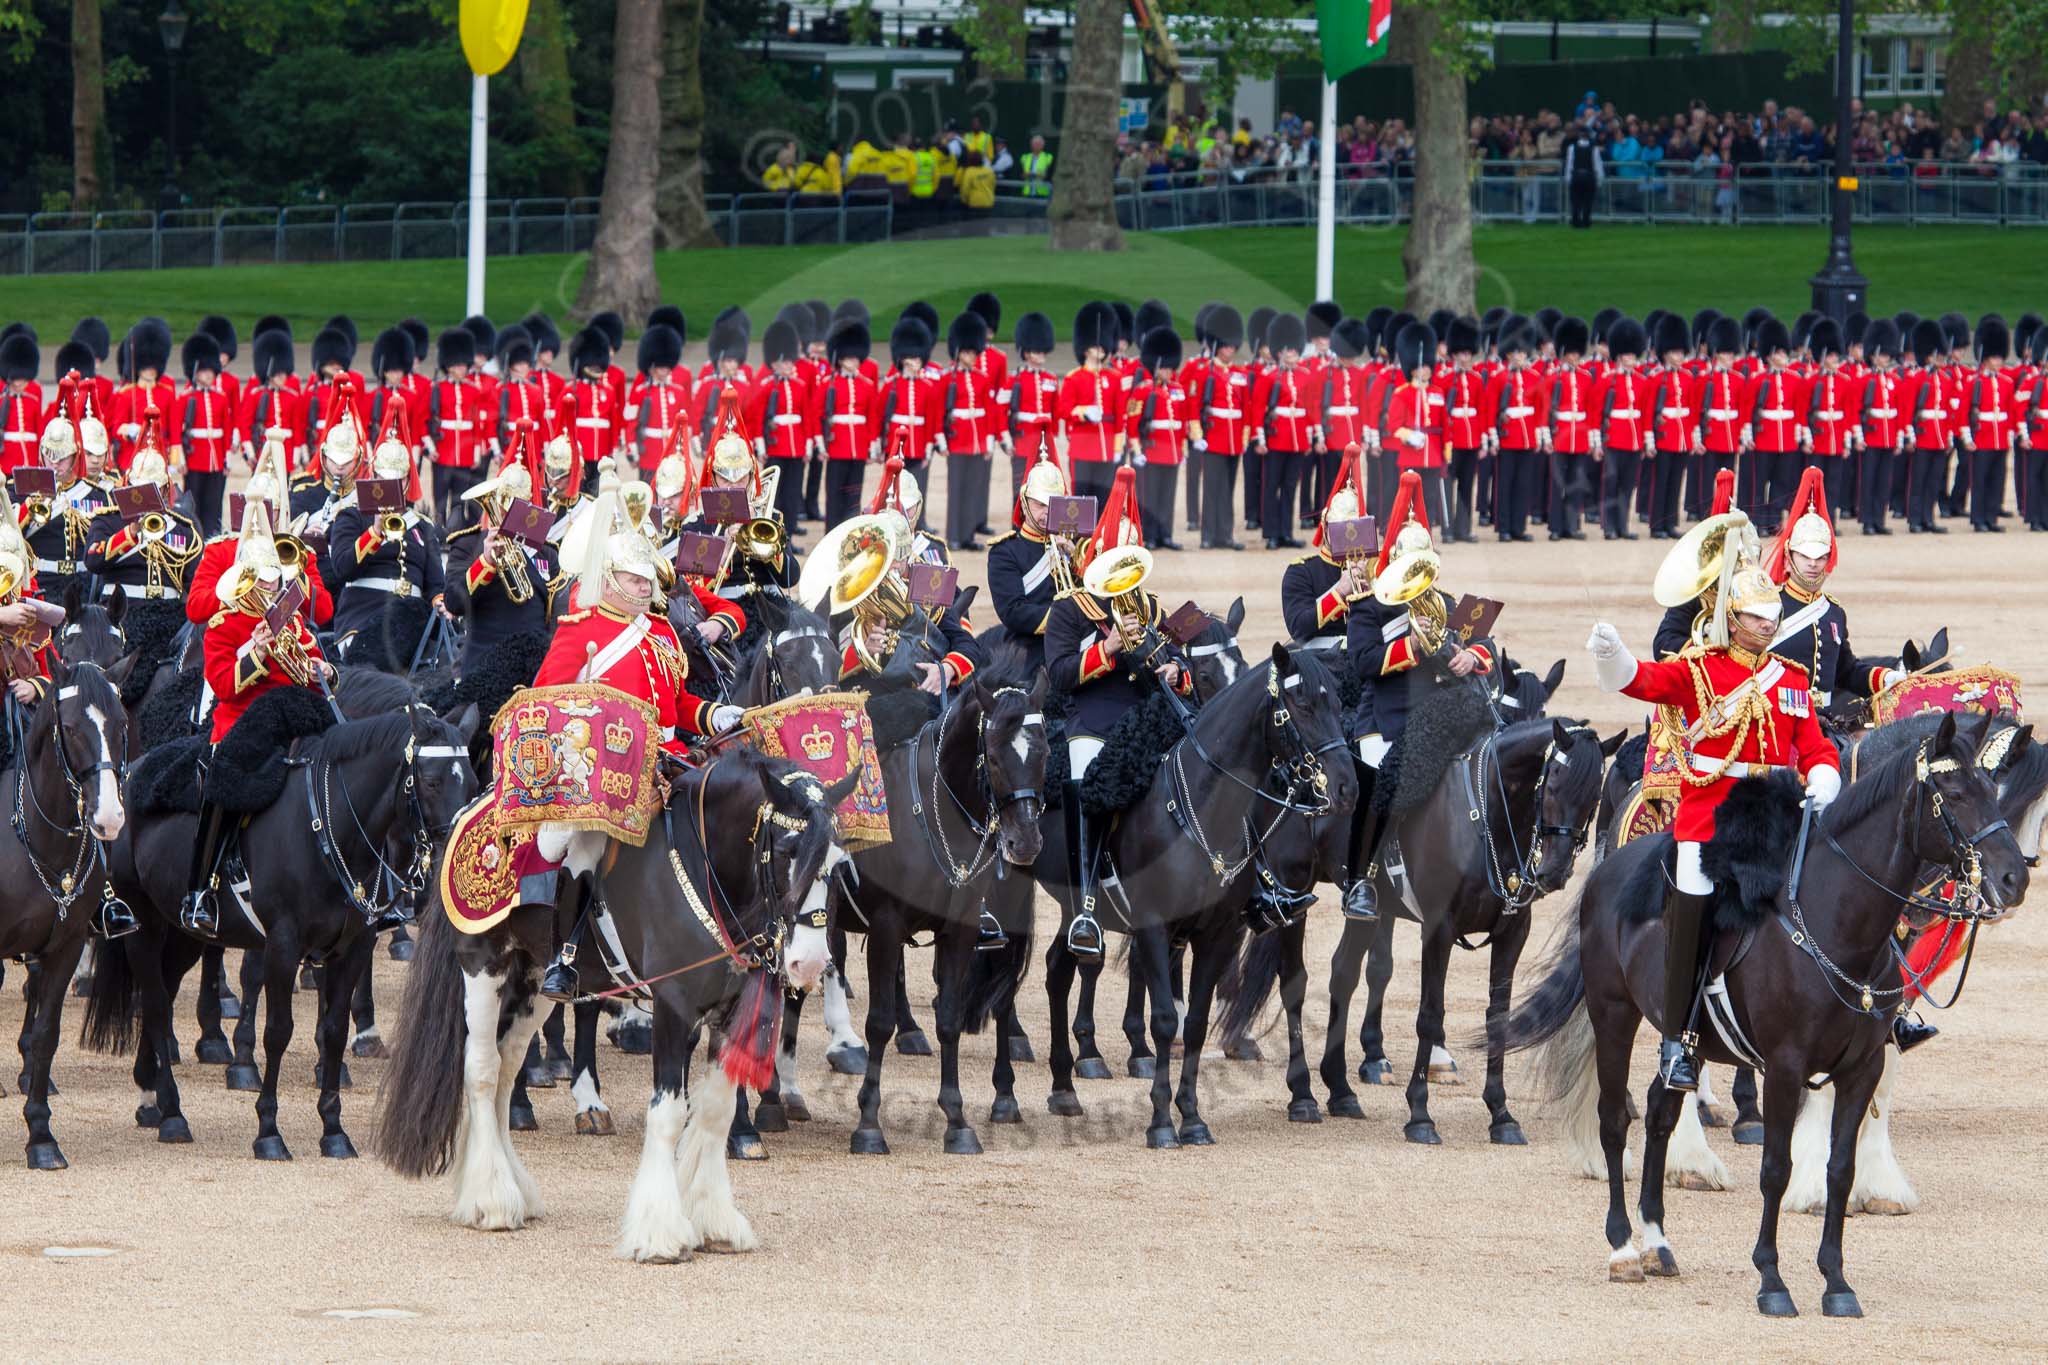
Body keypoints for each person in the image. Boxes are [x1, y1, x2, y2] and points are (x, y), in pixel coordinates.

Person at [1587, 535, 1841, 1092]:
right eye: (1756, 617)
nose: (1769, 625)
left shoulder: (1790, 680)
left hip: (1777, 817)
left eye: (1772, 616)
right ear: (1734, 617)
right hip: (1711, 820)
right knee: (1692, 913)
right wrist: (1615, 657)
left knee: (1841, 890)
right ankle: (1678, 1038)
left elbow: (1815, 744)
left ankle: (1870, 1010)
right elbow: (1644, 682)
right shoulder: (1700, 671)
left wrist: (1824, 773)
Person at [528, 497, 747, 998]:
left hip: (672, 761)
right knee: (585, 846)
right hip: (606, 769)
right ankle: (567, 952)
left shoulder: (665, 632)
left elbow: (679, 703)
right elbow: (547, 703)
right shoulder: (580, 632)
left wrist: (717, 714)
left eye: (648, 579)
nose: (645, 587)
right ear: (608, 579)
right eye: (633, 579)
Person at [1043, 467, 1193, 956]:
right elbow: (1061, 673)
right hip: (1094, 719)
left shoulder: (1148, 605)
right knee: (1086, 771)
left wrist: (1174, 672)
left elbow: (1179, 656)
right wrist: (1107, 648)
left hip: (1147, 714)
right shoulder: (1070, 608)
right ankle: (1086, 901)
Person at [1339, 470, 1494, 922]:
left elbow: (1486, 644)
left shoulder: (1445, 602)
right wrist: (1412, 645)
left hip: (1441, 713)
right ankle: (1362, 880)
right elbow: (1363, 662)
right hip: (1384, 717)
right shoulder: (1369, 606)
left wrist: (1472, 658)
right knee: (1376, 785)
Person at [188, 500, 336, 936]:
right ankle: (201, 889)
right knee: (223, 785)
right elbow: (223, 685)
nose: (274, 592)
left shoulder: (290, 620)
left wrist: (326, 671)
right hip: (242, 721)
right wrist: (254, 652)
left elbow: (314, 662)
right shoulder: (224, 623)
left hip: (294, 717)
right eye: (267, 586)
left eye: (276, 585)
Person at [443, 438, 562, 675]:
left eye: (520, 504)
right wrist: (486, 562)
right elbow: (454, 603)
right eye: (507, 504)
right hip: (484, 664)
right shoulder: (468, 544)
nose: (511, 512)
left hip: (534, 667)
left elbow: (556, 616)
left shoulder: (547, 552)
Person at [1126, 326, 1194, 551]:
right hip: (1152, 451)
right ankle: (1150, 535)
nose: (1167, 371)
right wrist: (1136, 451)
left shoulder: (1178, 390)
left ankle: (1165, 534)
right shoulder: (1142, 391)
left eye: (1169, 367)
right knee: (1150, 497)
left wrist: (1183, 450)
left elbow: (1182, 423)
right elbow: (1132, 423)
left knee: (1167, 497)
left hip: (1172, 453)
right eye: (1163, 368)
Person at [1249, 313, 1313, 551]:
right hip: (1276, 438)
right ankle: (1271, 533)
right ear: (1279, 353)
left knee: (1289, 487)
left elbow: (1310, 408)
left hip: (1297, 441)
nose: (1292, 356)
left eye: (1295, 352)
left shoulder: (1304, 375)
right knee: (1271, 486)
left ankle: (1286, 531)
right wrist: (1260, 438)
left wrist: (1310, 437)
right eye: (1289, 352)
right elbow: (1258, 409)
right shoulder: (1268, 377)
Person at [939, 312, 999, 551]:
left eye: (975, 353)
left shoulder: (982, 379)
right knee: (956, 490)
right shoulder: (947, 379)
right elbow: (938, 413)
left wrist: (988, 443)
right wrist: (940, 441)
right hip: (957, 441)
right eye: (968, 353)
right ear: (958, 352)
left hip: (976, 442)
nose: (972, 357)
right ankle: (953, 534)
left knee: (973, 489)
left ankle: (967, 535)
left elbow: (989, 412)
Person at [812, 317, 878, 526]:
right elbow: (816, 416)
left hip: (858, 448)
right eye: (850, 358)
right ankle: (832, 531)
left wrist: (871, 448)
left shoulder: (866, 385)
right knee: (834, 494)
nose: (855, 362)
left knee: (853, 496)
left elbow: (872, 418)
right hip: (836, 446)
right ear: (840, 359)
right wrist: (821, 446)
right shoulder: (827, 385)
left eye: (857, 358)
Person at [1057, 302, 1125, 504]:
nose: (1101, 348)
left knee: (1104, 499)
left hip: (1107, 446)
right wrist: (1084, 412)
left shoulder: (1114, 377)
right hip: (1083, 445)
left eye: (1103, 345)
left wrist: (1118, 448)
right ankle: (1079, 537)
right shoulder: (1074, 377)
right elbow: (1063, 409)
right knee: (1080, 500)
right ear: (1085, 349)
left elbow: (1121, 415)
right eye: (1096, 345)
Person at [1197, 305, 1250, 550]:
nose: (1230, 350)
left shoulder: (1240, 373)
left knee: (1228, 489)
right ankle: (1208, 534)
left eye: (1232, 346)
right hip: (1214, 438)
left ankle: (1225, 534)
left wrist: (1245, 437)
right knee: (1211, 489)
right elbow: (1193, 408)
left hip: (1233, 440)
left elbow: (1246, 408)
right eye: (1226, 345)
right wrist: (1198, 436)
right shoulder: (1205, 372)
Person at [877, 316, 941, 519]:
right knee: (893, 487)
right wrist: (880, 445)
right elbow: (881, 416)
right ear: (903, 359)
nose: (918, 363)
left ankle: (918, 521)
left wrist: (930, 446)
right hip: (897, 445)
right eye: (914, 359)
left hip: (919, 443)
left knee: (918, 486)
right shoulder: (891, 386)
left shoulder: (927, 387)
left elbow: (932, 418)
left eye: (919, 359)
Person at [1487, 323, 1546, 541]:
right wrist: (1493, 437)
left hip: (1527, 438)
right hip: (1507, 438)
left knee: (1523, 485)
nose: (1519, 356)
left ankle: (1518, 527)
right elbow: (1491, 409)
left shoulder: (1533, 377)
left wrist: (1540, 435)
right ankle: (1503, 527)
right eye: (1515, 352)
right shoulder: (1499, 378)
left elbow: (1540, 409)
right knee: (1505, 485)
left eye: (1522, 352)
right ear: (1508, 354)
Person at [1594, 318, 1650, 540]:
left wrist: (1646, 441)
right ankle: (1608, 525)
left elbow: (1644, 414)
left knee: (1628, 485)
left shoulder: (1641, 382)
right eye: (1626, 356)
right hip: (1613, 440)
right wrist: (1597, 443)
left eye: (1633, 355)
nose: (1630, 359)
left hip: (1634, 441)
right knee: (1611, 483)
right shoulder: (1606, 381)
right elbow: (1597, 414)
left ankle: (1623, 525)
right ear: (1618, 356)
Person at [1645, 313, 1699, 540]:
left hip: (1682, 438)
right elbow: (1649, 411)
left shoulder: (1688, 378)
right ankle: (1657, 524)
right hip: (1664, 437)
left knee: (1676, 482)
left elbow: (1693, 410)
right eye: (1674, 352)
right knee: (1661, 481)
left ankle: (1670, 523)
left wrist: (1694, 438)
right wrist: (1650, 439)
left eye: (1680, 352)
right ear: (1664, 354)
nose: (1678, 356)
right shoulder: (1656, 379)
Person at [1437, 318, 1489, 543]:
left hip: (1472, 439)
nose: (1466, 358)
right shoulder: (1445, 379)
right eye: (1462, 354)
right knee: (1448, 485)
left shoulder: (1477, 380)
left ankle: (1464, 528)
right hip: (1452, 440)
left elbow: (1482, 411)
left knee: (1467, 486)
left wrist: (1483, 441)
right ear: (1454, 354)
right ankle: (1447, 528)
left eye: (1469, 354)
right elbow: (1442, 413)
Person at [1961, 315, 2015, 532]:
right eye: (1994, 358)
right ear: (1985, 358)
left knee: (1996, 480)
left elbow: (2010, 412)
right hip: (1981, 438)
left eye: (2000, 357)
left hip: (2000, 438)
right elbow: (1964, 411)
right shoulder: (1974, 383)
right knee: (1980, 481)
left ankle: (1991, 517)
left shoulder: (2006, 383)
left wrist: (2009, 435)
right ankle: (1978, 518)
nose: (1999, 362)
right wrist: (1967, 437)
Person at [1543, 317, 1595, 539]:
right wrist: (1546, 436)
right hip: (1560, 436)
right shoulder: (1553, 377)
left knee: (1576, 483)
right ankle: (1555, 527)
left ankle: (1572, 525)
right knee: (1557, 484)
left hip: (1580, 437)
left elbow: (1591, 410)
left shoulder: (1586, 377)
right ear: (1563, 353)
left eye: (1577, 354)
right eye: (1570, 354)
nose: (1574, 358)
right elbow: (1545, 410)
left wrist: (1593, 440)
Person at [1007, 311, 1060, 516]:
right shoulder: (1015, 380)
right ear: (1027, 352)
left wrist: (1052, 439)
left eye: (1042, 352)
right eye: (1037, 352)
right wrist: (1006, 439)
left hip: (1044, 443)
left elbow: (1054, 412)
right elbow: (1003, 411)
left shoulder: (1051, 379)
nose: (1041, 356)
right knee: (1021, 487)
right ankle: (1018, 523)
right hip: (1023, 441)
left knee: (1046, 486)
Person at [1902, 319, 1951, 534]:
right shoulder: (1917, 379)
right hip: (1922, 436)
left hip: (1939, 437)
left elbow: (1948, 412)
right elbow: (1907, 411)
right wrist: (1910, 436)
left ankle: (1928, 517)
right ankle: (1915, 519)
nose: (1939, 358)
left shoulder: (1945, 379)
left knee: (1934, 481)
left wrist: (1948, 437)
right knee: (1919, 479)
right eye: (1935, 354)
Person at [1563, 123, 1603, 228]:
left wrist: (1568, 179)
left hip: (1576, 176)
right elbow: (1597, 165)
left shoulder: (1572, 148)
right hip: (1589, 177)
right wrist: (1599, 180)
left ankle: (1575, 220)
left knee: (1575, 201)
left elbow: (1569, 164)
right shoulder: (1594, 149)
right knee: (1588, 201)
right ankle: (1586, 220)